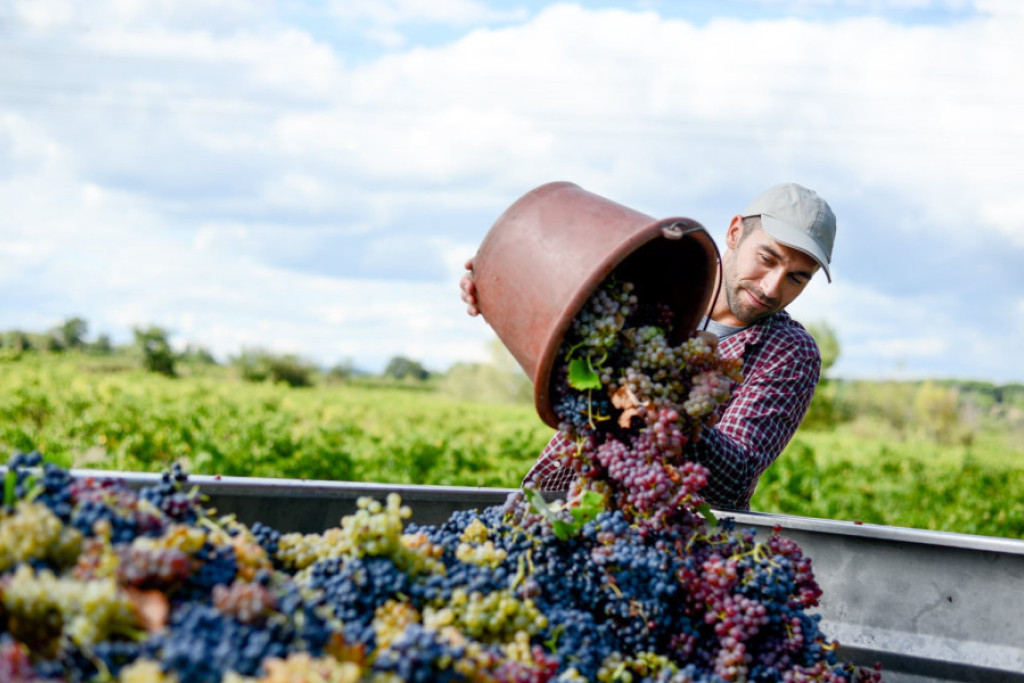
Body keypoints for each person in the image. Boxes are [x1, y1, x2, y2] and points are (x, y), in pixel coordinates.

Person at [460, 182, 835, 511]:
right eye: (767, 259)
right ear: (735, 233)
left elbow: (734, 479)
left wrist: (667, 406)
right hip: (562, 500)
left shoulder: (789, 352)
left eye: (797, 278)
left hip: (670, 541)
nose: (772, 287)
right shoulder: (652, 281)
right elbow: (561, 337)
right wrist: (497, 285)